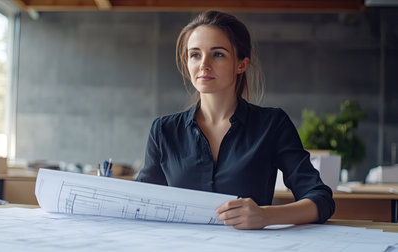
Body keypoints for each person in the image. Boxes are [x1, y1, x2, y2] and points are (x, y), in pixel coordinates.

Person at [136, 10, 335, 230]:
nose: (204, 64)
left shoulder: (272, 124)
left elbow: (320, 198)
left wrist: (266, 216)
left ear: (241, 64)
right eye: (195, 55)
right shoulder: (163, 131)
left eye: (218, 54)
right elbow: (138, 203)